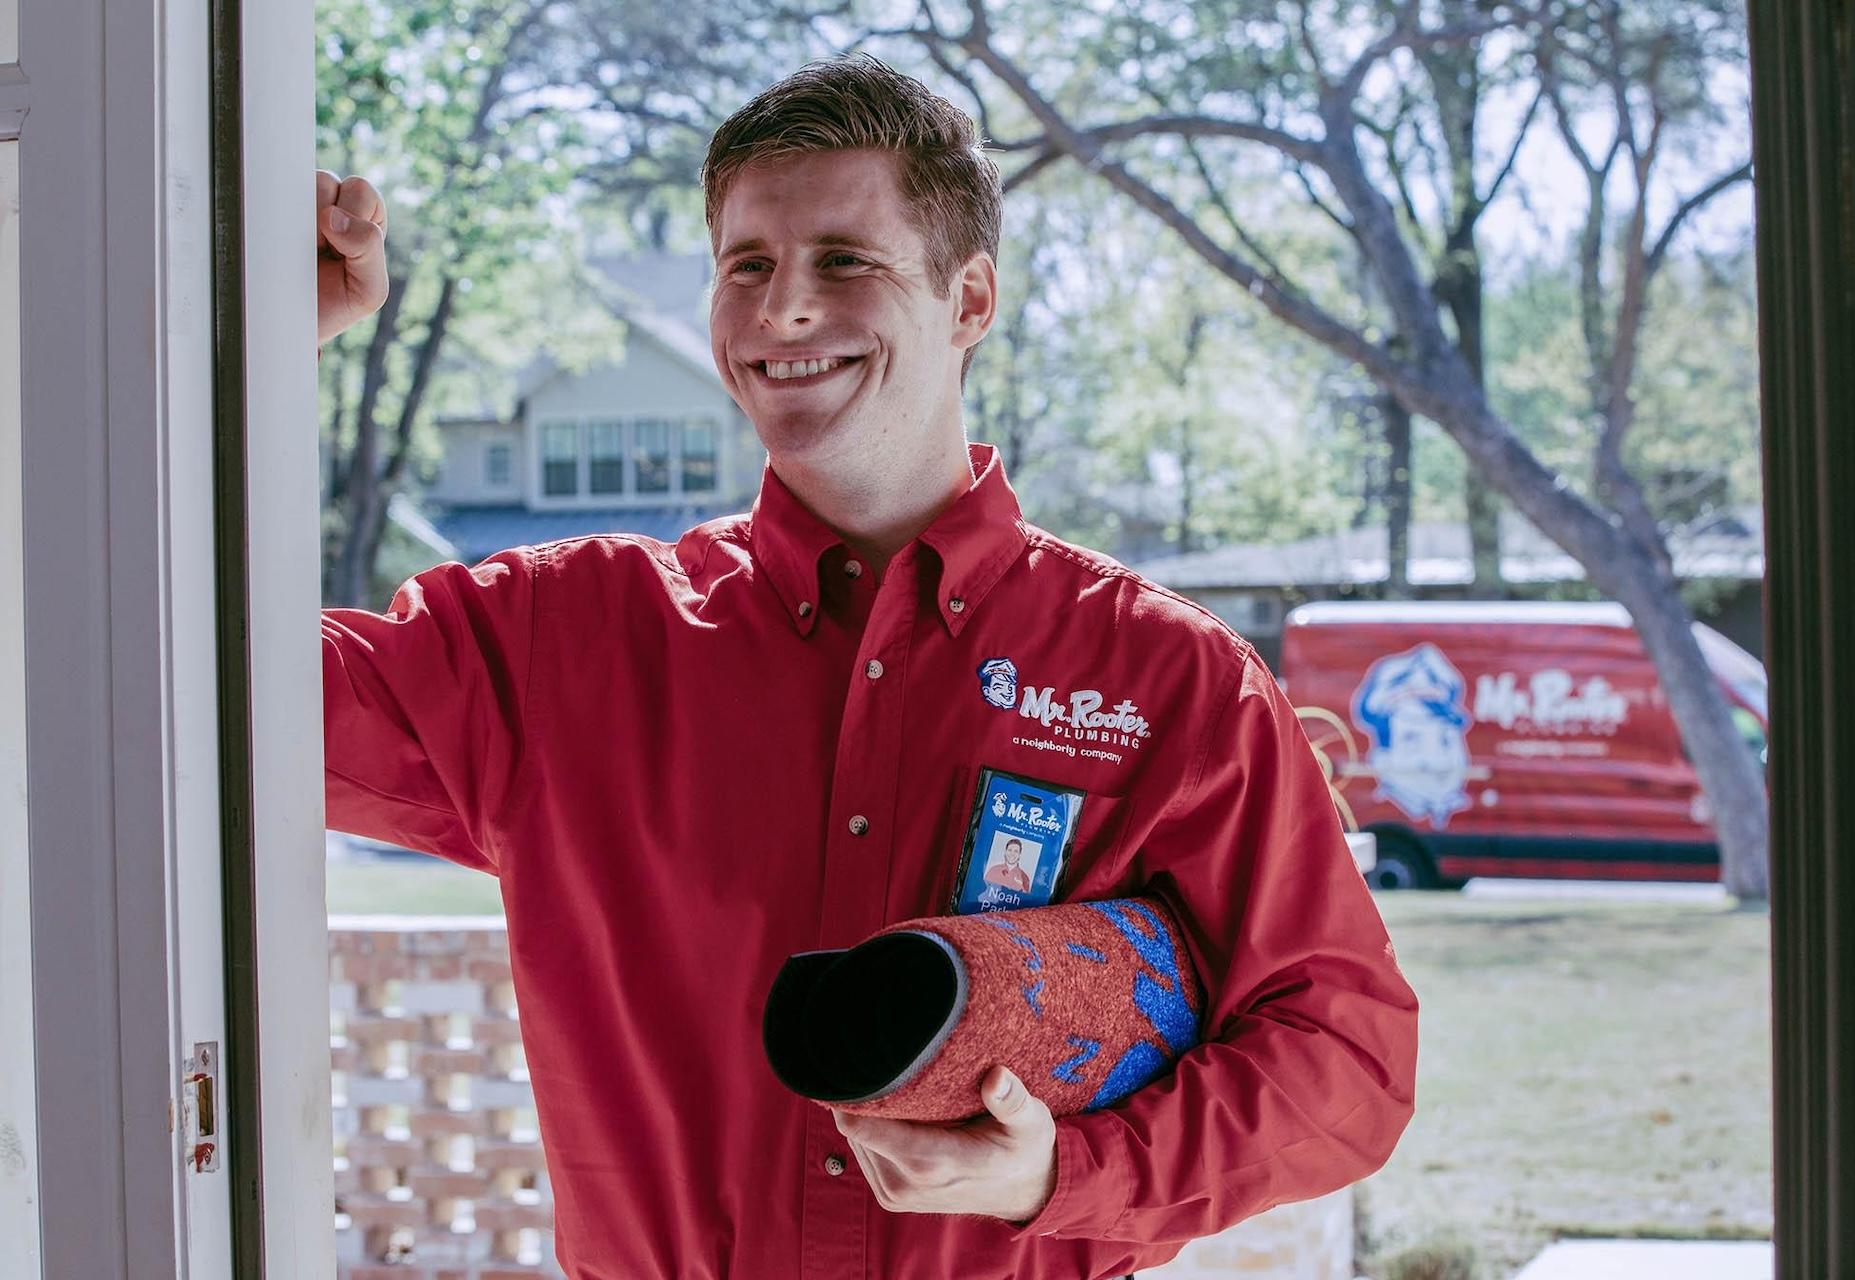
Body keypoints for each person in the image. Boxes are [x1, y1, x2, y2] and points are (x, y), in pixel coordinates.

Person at [316, 52, 1418, 1280]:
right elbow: (206, 691)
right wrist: (243, 356)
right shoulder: (555, 640)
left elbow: (1348, 1063)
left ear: (970, 298)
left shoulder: (1171, 681)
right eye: (748, 265)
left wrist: (1064, 1171)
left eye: (845, 259)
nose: (784, 308)